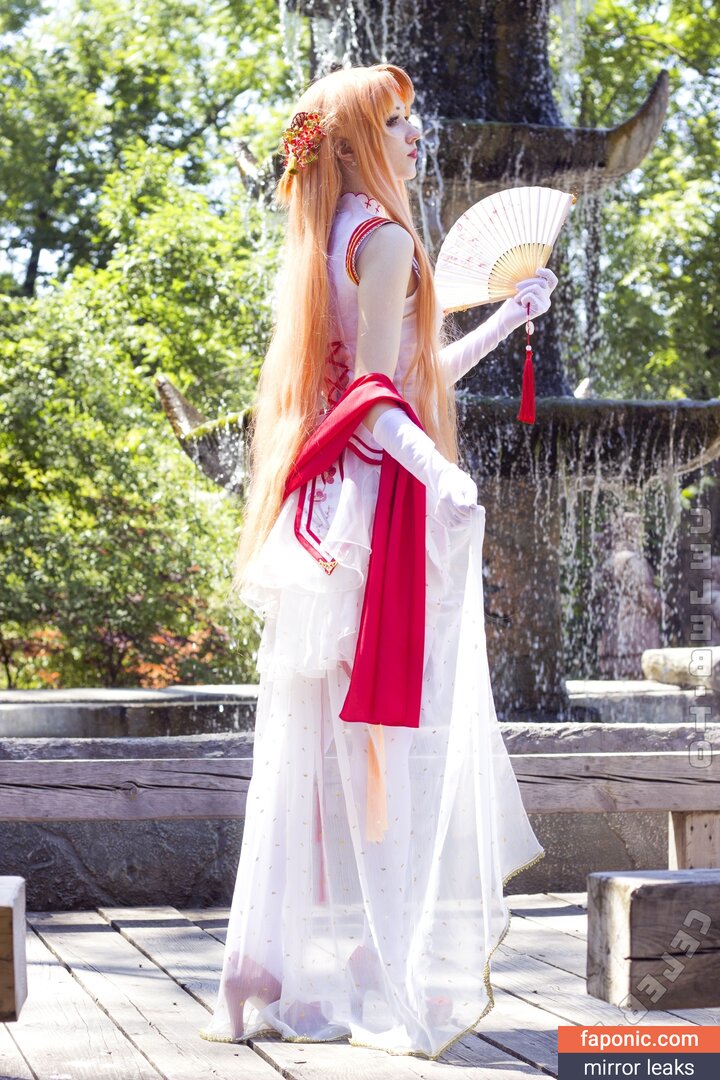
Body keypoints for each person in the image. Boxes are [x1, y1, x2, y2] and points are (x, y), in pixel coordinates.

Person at [201, 63, 553, 1060]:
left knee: (321, 749)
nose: (414, 135)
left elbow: (395, 380)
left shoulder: (334, 232)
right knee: (387, 748)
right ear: (356, 141)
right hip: (373, 514)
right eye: (397, 122)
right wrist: (440, 474)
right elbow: (375, 405)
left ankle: (262, 971)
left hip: (322, 517)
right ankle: (384, 975)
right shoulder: (386, 236)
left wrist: (504, 321)